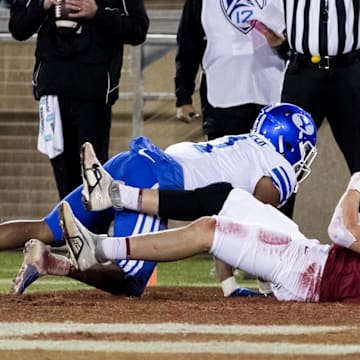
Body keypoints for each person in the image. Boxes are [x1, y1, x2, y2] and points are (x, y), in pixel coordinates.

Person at [8, 103, 317, 296]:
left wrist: (229, 285)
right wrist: (255, 283)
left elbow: (231, 223)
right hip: (155, 180)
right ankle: (53, 262)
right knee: (128, 281)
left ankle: (102, 201)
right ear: (290, 144)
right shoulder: (277, 168)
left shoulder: (244, 145)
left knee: (46, 228)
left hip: (134, 160)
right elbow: (249, 226)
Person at [61, 170, 360, 303]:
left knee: (207, 230)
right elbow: (342, 228)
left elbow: (343, 230)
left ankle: (99, 249)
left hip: (309, 273)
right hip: (312, 257)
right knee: (231, 198)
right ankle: (115, 194)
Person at [8, 0, 149, 199]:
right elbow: (18, 27)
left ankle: (94, 227)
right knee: (64, 179)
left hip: (94, 91)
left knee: (93, 179)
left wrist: (97, 13)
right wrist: (44, 5)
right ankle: (71, 227)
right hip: (53, 91)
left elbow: (138, 29)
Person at [260, 1, 360, 218]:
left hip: (349, 72)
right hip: (302, 73)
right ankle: (276, 242)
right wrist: (282, 43)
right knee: (284, 163)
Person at [174, 0, 286, 139]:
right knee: (224, 159)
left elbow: (300, 45)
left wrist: (282, 46)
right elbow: (188, 46)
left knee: (271, 159)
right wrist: (183, 98)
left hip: (271, 96)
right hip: (222, 101)